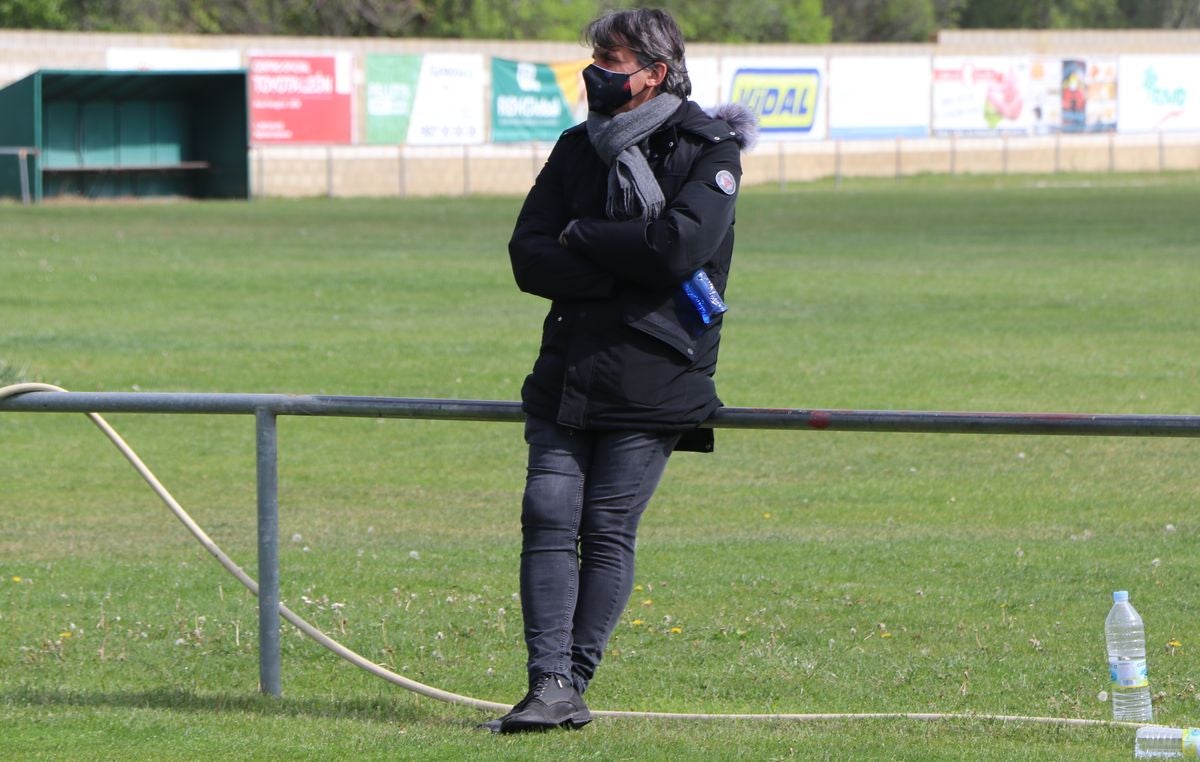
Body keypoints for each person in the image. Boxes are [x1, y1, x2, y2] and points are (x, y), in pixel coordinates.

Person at [486, 7, 756, 734]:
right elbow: (526, 255)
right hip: (568, 369)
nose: (594, 77)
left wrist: (585, 240)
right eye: (594, 62)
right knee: (545, 515)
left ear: (654, 75)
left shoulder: (712, 149)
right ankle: (547, 684)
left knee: (606, 528)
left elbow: (676, 250)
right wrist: (617, 268)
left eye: (609, 65)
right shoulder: (576, 147)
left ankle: (570, 682)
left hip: (656, 376)